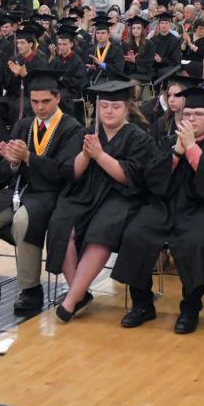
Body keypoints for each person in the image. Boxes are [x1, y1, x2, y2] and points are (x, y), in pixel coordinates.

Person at [115, 84, 204, 331]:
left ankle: (190, 308)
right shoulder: (169, 142)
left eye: (199, 114)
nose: (191, 119)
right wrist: (176, 153)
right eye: (188, 114)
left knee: (195, 241)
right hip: (165, 205)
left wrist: (192, 148)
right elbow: (152, 178)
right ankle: (142, 304)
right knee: (136, 232)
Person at [0, 71, 82, 316]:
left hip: (51, 193)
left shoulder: (71, 128)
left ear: (57, 98)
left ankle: (30, 288)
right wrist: (13, 163)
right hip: (19, 189)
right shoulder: (23, 125)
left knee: (24, 221)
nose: (39, 107)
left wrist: (28, 157)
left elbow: (65, 173)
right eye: (34, 102)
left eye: (45, 101)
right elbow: (3, 171)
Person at [44, 79, 165, 322]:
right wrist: (86, 154)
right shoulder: (87, 133)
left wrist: (99, 155)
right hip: (85, 194)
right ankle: (80, 293)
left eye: (115, 107)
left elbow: (129, 177)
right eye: (104, 106)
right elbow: (72, 172)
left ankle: (71, 300)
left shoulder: (138, 137)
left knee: (102, 230)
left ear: (127, 108)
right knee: (61, 225)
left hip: (121, 197)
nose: (109, 111)